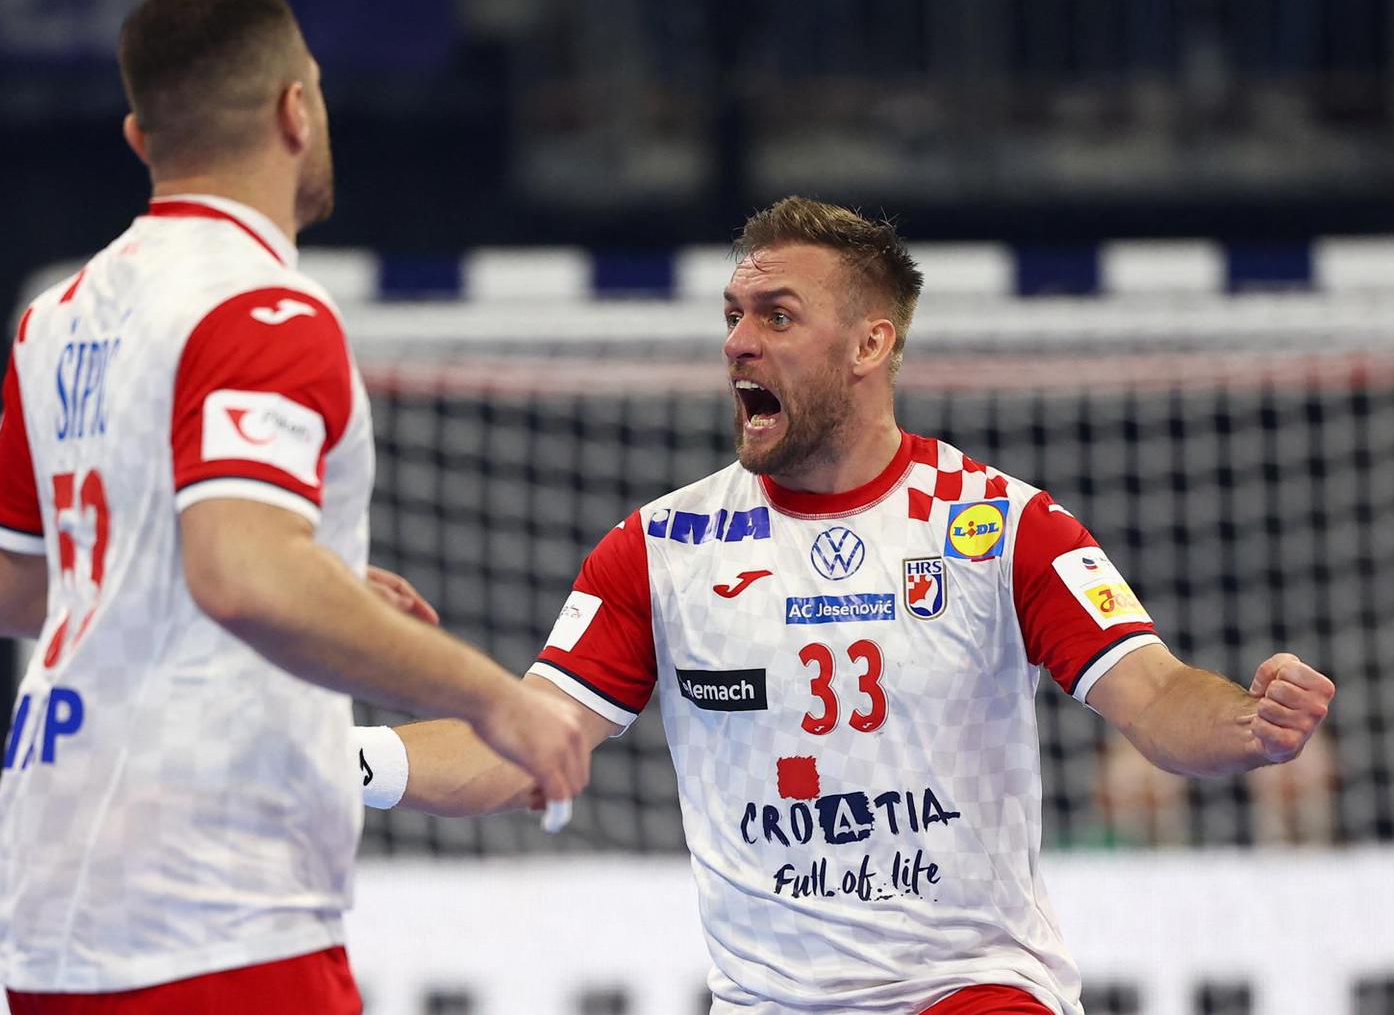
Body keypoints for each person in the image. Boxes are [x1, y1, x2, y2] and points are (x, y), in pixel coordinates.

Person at [350, 197, 1335, 1014]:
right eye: (732, 315)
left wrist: (1247, 723)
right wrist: (341, 758)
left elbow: (1156, 697)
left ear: (871, 343)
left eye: (776, 317)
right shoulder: (658, 551)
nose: (737, 343)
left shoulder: (1000, 527)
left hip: (969, 989)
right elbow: (519, 740)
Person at [0, 0, 589, 1015]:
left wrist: (310, 577)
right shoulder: (263, 310)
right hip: (209, 899)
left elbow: (2, 588)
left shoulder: (60, 314)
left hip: (47, 891)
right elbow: (243, 576)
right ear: (297, 110)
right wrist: (493, 699)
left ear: (140, 137)